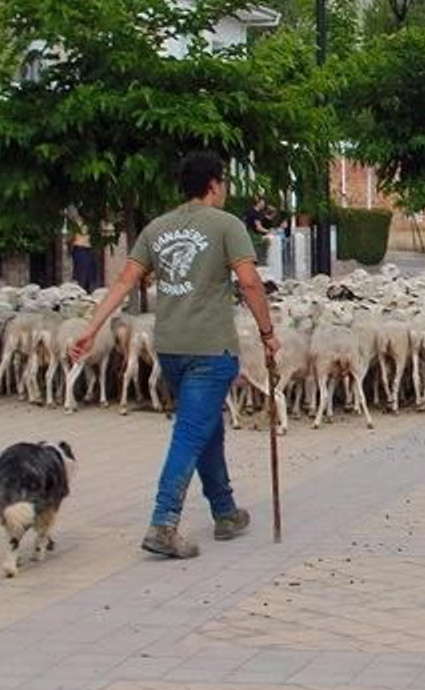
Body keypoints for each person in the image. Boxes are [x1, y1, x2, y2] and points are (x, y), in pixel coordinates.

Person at [69, 151, 274, 560]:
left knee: (206, 428)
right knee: (190, 432)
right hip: (211, 347)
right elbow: (250, 282)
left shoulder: (157, 227)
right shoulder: (227, 225)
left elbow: (124, 281)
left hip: (170, 347)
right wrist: (268, 333)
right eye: (224, 182)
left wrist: (91, 328)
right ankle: (163, 522)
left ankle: (225, 511)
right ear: (214, 184)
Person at [69, 222, 97, 292]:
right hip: (80, 248)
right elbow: (70, 238)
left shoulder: (91, 223)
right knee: (82, 274)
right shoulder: (77, 223)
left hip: (87, 249)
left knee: (89, 274)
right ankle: (81, 290)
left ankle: (86, 290)